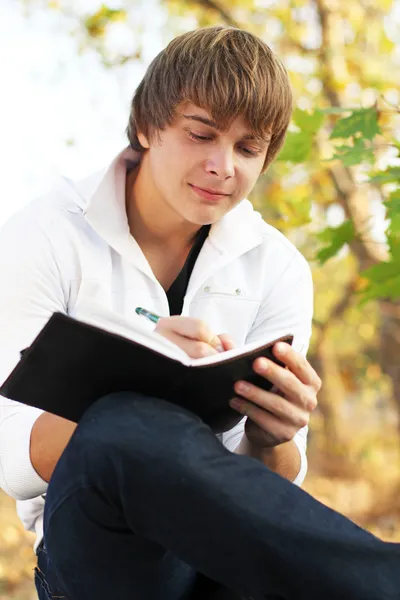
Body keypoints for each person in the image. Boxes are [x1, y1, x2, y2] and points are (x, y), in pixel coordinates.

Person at [0, 25, 398, 600]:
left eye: (247, 148)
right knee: (119, 420)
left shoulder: (277, 269)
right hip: (100, 553)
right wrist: (139, 383)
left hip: (227, 562)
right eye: (201, 135)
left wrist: (272, 438)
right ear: (146, 127)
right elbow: (10, 453)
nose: (223, 166)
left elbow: (274, 483)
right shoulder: (46, 234)